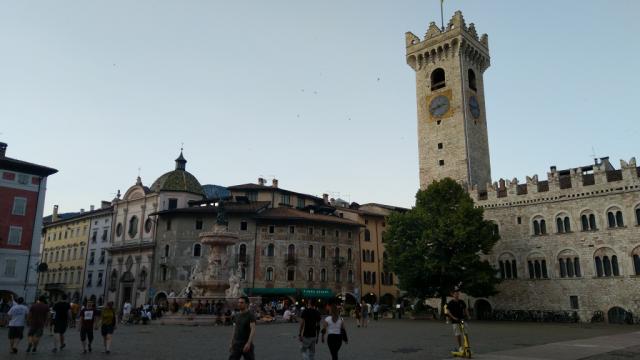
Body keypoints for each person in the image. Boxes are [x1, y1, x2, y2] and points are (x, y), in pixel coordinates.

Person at [228, 296, 256, 360]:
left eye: (241, 303)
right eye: (239, 302)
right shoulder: (237, 315)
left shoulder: (250, 315)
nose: (239, 304)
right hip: (236, 343)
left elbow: (253, 329)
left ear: (246, 304)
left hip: (246, 343)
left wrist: (248, 343)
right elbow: (235, 329)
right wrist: (231, 343)